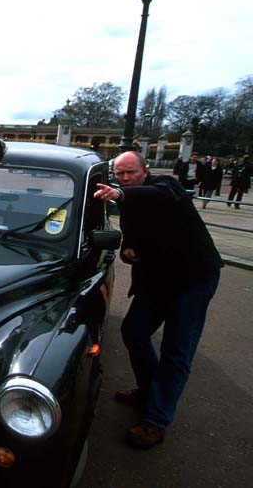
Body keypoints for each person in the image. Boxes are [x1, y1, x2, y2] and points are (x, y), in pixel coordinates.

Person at [93, 151, 221, 449]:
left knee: (176, 350)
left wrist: (122, 194)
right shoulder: (129, 203)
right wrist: (128, 252)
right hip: (158, 280)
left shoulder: (167, 187)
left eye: (131, 173)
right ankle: (150, 389)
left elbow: (159, 196)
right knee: (133, 331)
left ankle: (155, 420)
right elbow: (131, 239)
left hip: (194, 278)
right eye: (120, 174)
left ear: (145, 170)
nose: (125, 178)